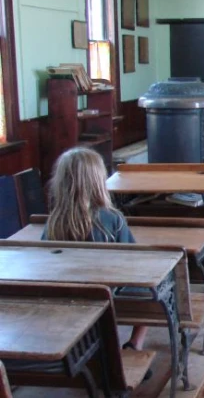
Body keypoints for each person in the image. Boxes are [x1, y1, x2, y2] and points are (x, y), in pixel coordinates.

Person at [42, 147, 150, 364]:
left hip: (69, 299)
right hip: (109, 298)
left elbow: (46, 263)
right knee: (153, 289)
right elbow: (134, 261)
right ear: (99, 181)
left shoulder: (53, 222)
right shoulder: (112, 220)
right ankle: (135, 344)